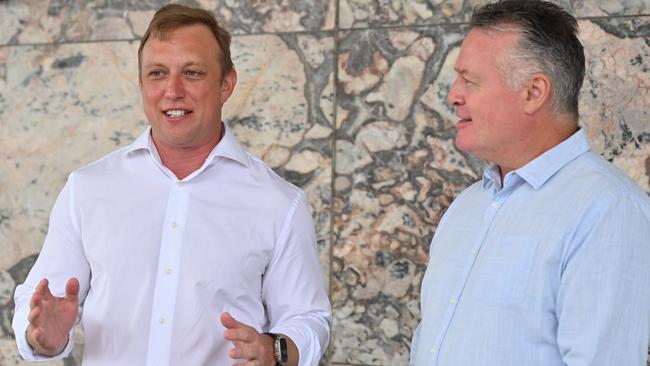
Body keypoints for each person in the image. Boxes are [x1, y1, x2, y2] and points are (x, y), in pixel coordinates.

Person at [12, 4, 331, 366]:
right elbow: (38, 303)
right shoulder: (87, 189)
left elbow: (309, 318)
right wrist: (43, 337)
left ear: (226, 84)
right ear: (141, 83)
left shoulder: (279, 203)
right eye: (157, 73)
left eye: (192, 73)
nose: (172, 90)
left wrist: (274, 350)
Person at [410, 0, 650, 365]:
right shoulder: (467, 207)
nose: (453, 96)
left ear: (534, 92)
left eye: (470, 81)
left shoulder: (609, 210)